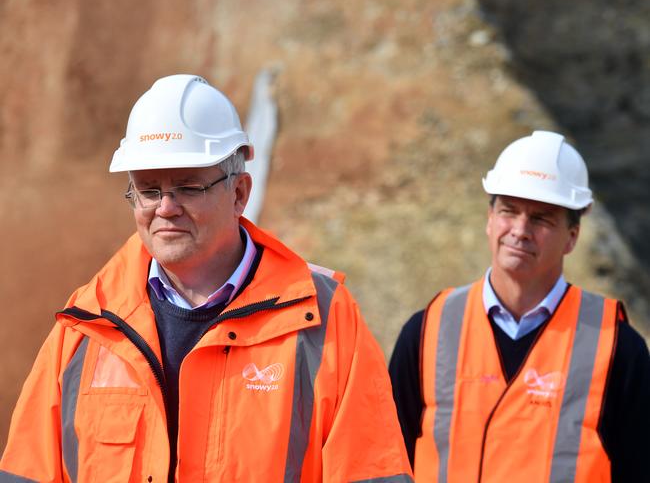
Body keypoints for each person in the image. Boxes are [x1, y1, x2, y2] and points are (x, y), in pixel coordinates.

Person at [1, 74, 413, 482]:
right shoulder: (87, 325)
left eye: (187, 187)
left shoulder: (324, 320)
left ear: (239, 194)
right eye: (148, 190)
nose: (165, 208)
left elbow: (370, 472)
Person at [389, 130, 650, 482]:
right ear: (489, 219)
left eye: (541, 218)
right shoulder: (426, 333)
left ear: (572, 236)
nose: (520, 230)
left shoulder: (618, 348)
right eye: (509, 211)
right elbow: (386, 462)